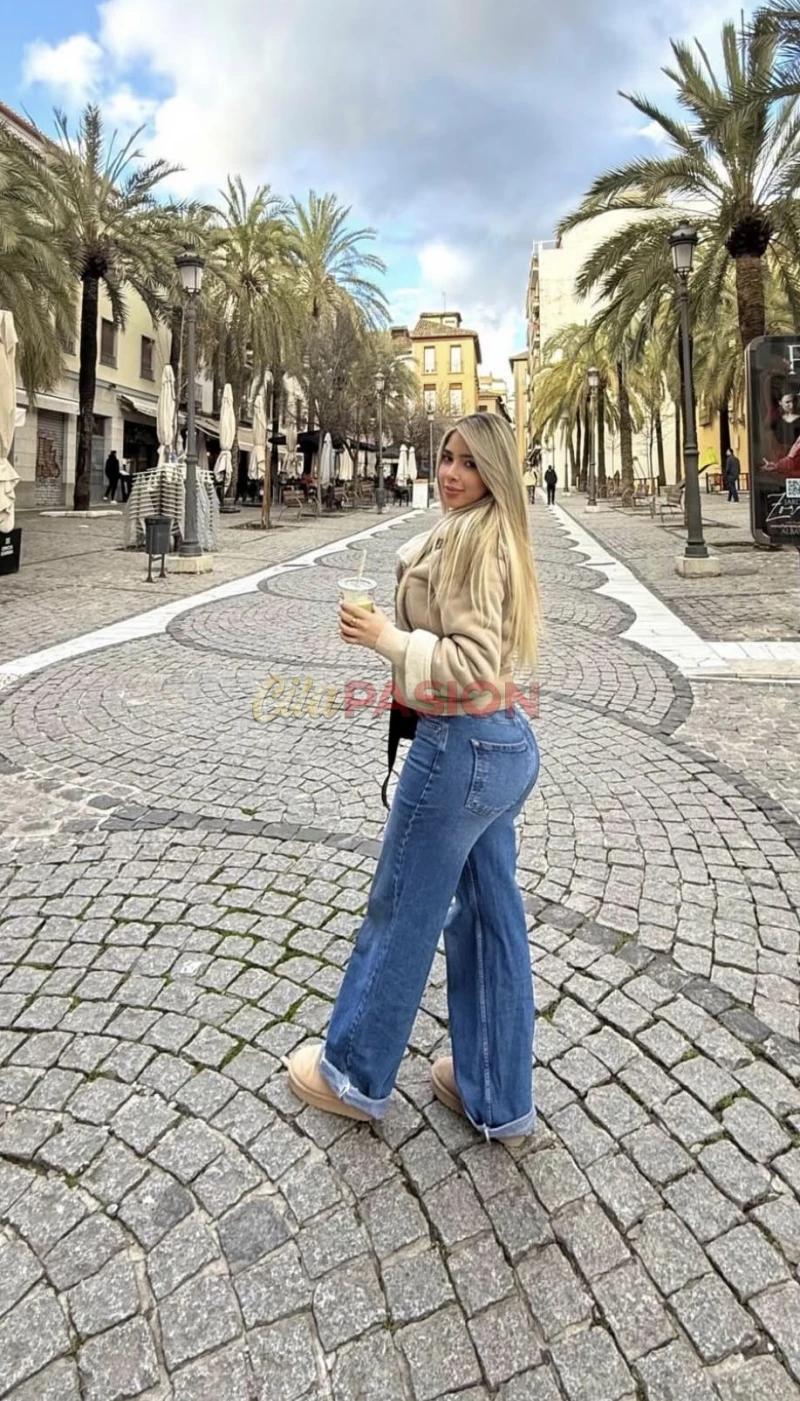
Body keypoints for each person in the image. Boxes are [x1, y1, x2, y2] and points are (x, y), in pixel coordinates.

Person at [287, 413, 541, 1144]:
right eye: (447, 457)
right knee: (489, 919)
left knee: (401, 907)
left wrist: (386, 638)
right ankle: (496, 1090)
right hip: (503, 740)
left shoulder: (473, 542)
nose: (451, 472)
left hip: (459, 745)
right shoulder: (491, 532)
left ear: (495, 472)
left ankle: (352, 1074)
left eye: (469, 462)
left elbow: (471, 664)